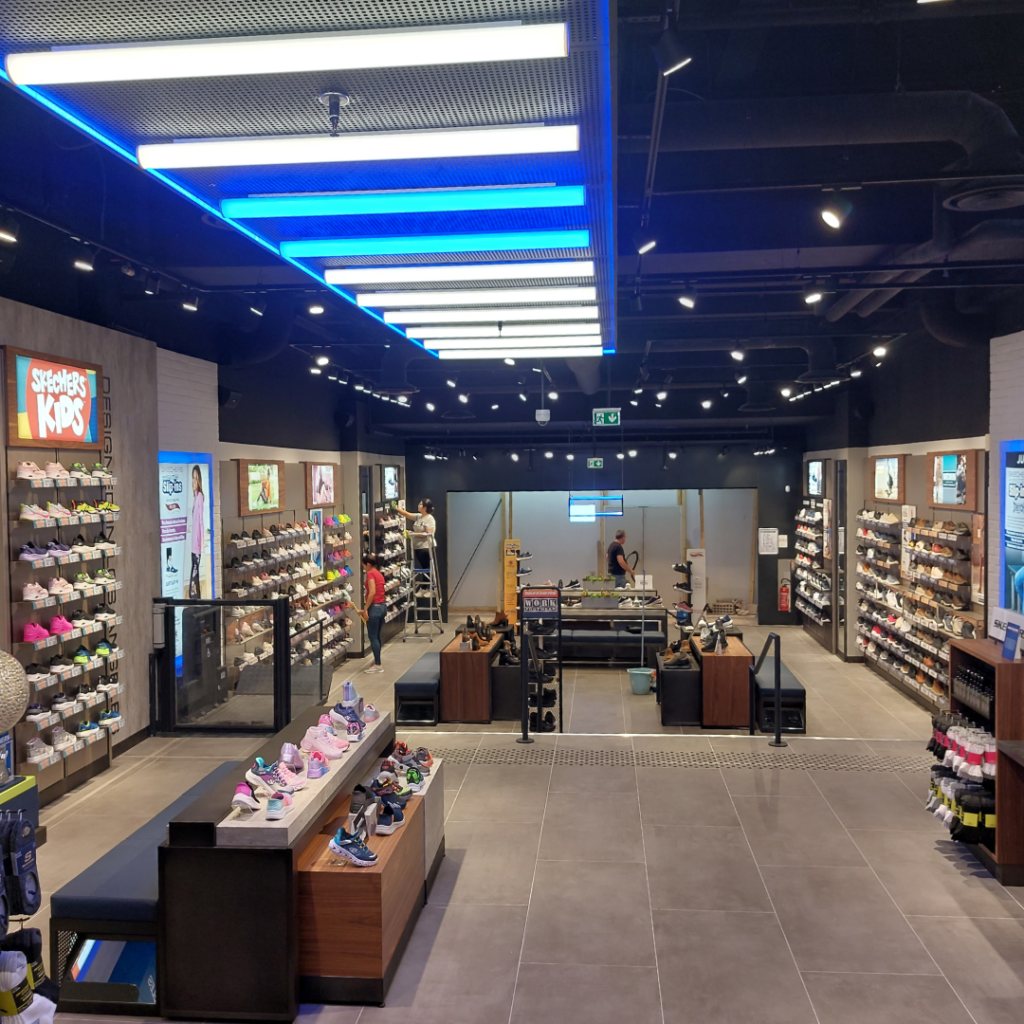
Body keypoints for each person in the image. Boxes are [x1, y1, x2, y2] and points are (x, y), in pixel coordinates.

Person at [359, 552, 387, 673]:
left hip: (374, 608)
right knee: (377, 636)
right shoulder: (379, 574)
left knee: (373, 637)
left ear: (368, 564)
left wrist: (365, 608)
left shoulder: (370, 574)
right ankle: (377, 660)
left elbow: (372, 592)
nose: (364, 569)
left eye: (364, 566)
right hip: (382, 607)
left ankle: (377, 664)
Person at [396, 499, 436, 574]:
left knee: (426, 568)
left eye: (420, 504)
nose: (418, 505)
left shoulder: (429, 519)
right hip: (417, 547)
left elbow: (428, 533)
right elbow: (407, 514)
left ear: (425, 508)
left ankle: (426, 582)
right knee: (424, 567)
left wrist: (413, 533)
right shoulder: (419, 516)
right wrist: (395, 508)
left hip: (426, 547)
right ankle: (423, 581)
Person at [189, 465, 204, 598]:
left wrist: (202, 541)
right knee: (195, 571)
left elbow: (200, 521)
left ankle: (193, 595)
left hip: (197, 543)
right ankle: (196, 597)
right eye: (192, 477)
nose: (194, 481)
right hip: (193, 542)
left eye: (196, 478)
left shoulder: (199, 497)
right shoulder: (195, 497)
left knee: (194, 571)